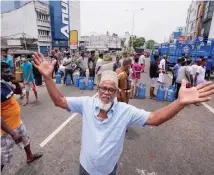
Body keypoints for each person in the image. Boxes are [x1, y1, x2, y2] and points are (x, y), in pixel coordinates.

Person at [32, 52, 214, 175]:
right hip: (84, 169)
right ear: (98, 88)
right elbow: (59, 101)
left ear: (117, 92)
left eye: (111, 90)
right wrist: (48, 78)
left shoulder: (124, 111)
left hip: (109, 171)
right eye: (103, 88)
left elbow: (154, 119)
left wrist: (179, 102)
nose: (106, 93)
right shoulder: (86, 103)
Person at [1, 62, 43, 171]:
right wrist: (12, 133)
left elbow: (19, 92)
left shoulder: (5, 84)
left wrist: (15, 81)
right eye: (6, 72)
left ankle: (30, 156)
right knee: (3, 157)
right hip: (6, 130)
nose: (9, 73)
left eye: (9, 70)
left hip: (17, 122)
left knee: (25, 139)